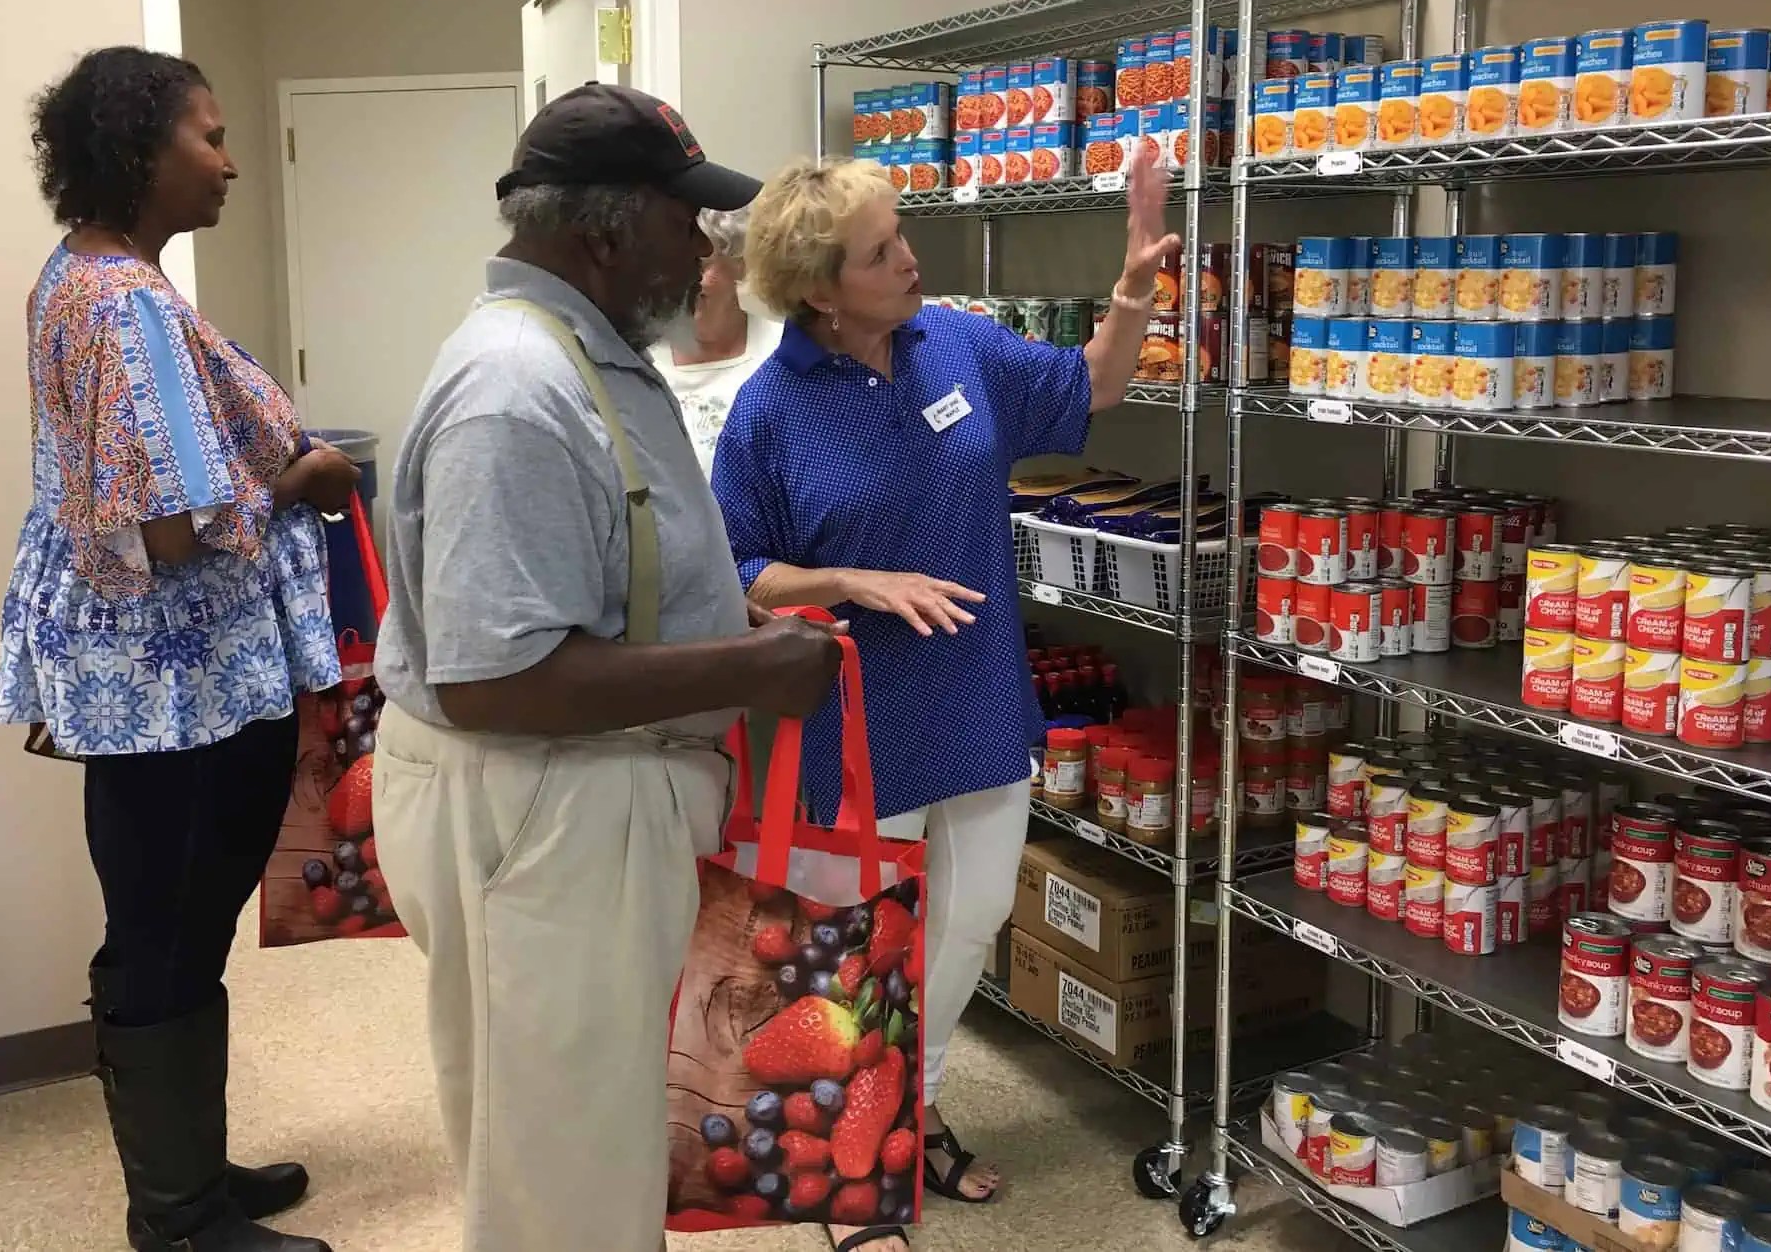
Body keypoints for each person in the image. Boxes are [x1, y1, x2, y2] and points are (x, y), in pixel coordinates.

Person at [366, 83, 845, 1252]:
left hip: (585, 804)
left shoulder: (589, 356)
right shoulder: (515, 395)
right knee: (557, 1163)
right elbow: (494, 678)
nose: (704, 245)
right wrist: (748, 665)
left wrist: (717, 615)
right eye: (684, 219)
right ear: (603, 227)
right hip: (541, 807)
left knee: (594, 1129)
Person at [711, 150, 1178, 1252]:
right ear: (820, 289)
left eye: (902, 233)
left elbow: (1092, 385)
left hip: (974, 698)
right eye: (882, 252)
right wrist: (845, 582)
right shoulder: (770, 414)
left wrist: (1135, 274)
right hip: (854, 728)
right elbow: (733, 572)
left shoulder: (956, 343)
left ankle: (902, 1116)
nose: (911, 259)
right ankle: (846, 1176)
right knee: (857, 950)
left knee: (964, 930)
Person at [0, 47, 359, 1252]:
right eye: (207, 136)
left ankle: (189, 1176)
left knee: (160, 911)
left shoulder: (77, 278)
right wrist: (298, 478)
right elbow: (167, 528)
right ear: (137, 150)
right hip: (178, 682)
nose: (229, 161)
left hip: (139, 677)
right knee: (172, 919)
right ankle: (179, 1214)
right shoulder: (129, 306)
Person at [646, 204, 783, 478]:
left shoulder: (782, 351)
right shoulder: (640, 362)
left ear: (738, 263)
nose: (684, 280)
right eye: (670, 266)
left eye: (700, 264)